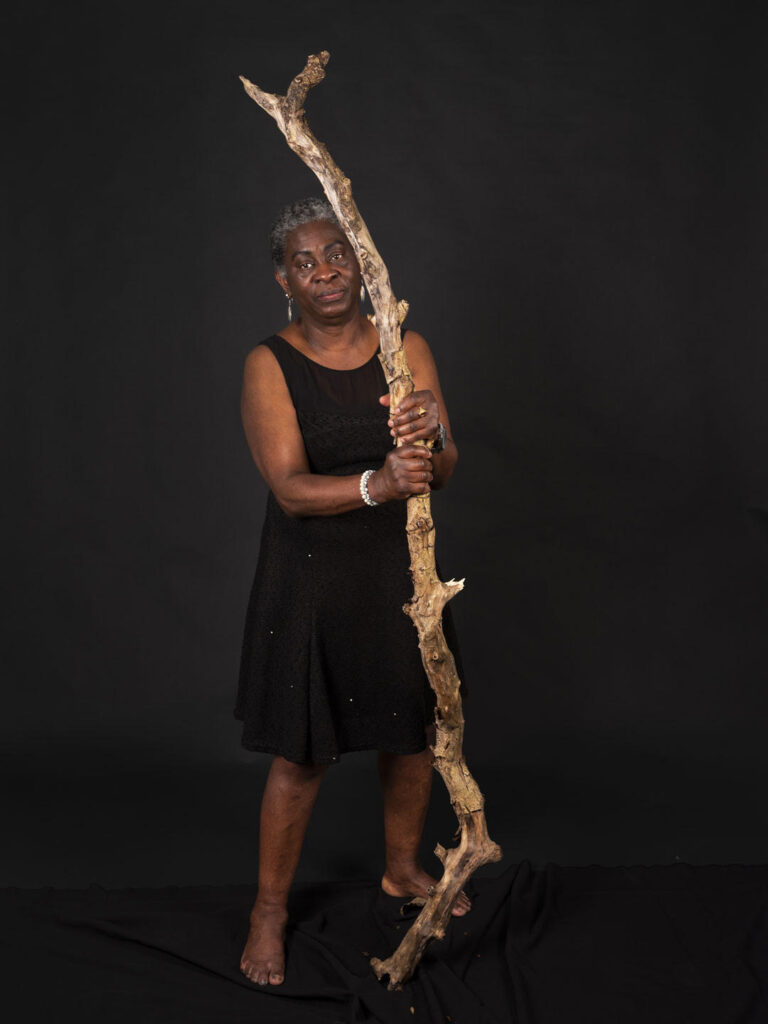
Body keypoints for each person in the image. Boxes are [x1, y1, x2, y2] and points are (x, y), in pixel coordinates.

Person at [235, 197, 469, 987]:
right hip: (311, 583)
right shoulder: (270, 363)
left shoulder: (406, 346)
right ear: (284, 281)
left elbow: (442, 468)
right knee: (303, 755)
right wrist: (379, 482)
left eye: (336, 254)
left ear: (360, 263)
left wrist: (432, 435)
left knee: (412, 733)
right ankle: (269, 911)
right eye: (304, 262)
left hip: (400, 574)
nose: (325, 271)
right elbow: (289, 488)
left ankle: (400, 871)